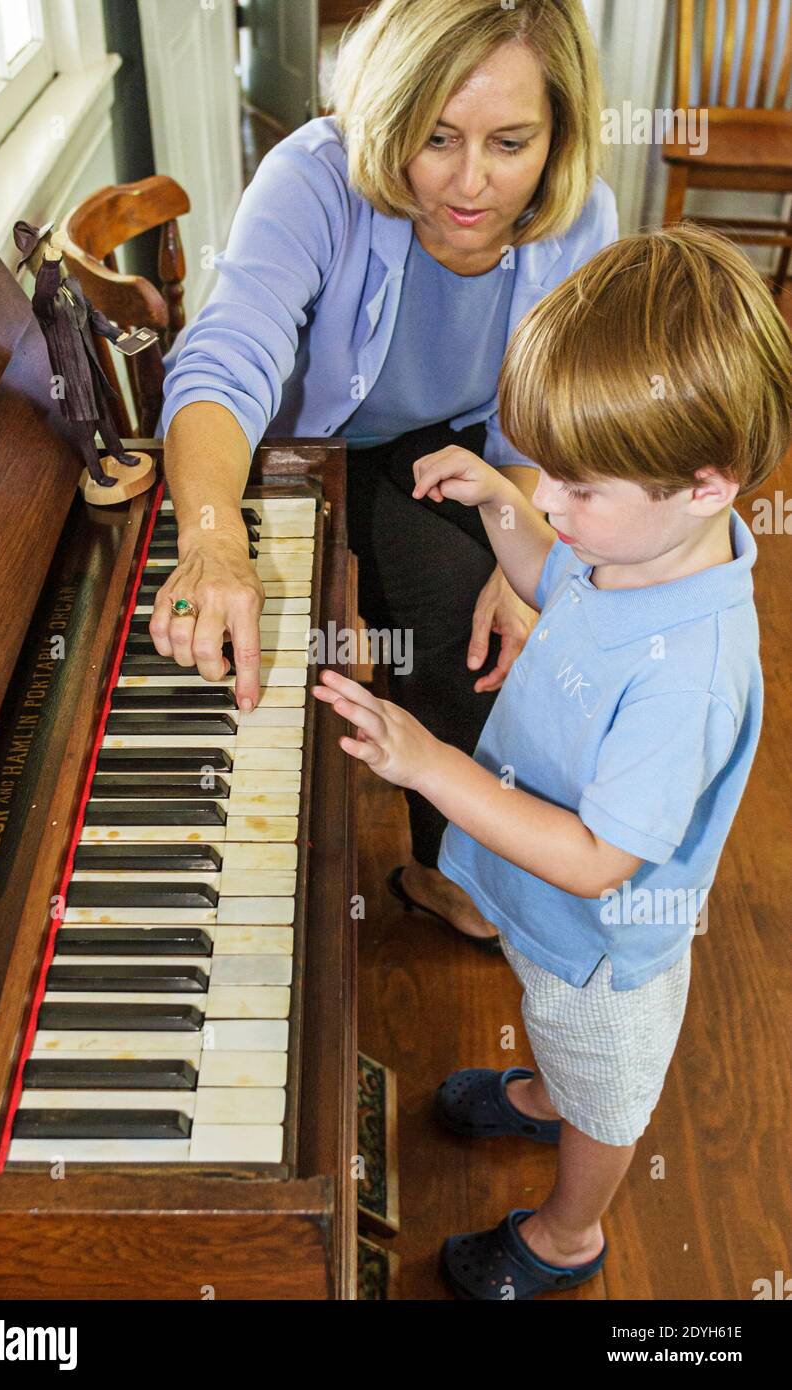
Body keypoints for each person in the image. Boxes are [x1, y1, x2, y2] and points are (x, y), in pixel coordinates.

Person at [311, 222, 792, 1298]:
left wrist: (435, 766)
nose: (554, 508)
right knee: (546, 1023)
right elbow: (552, 584)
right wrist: (504, 509)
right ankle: (541, 1093)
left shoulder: (687, 674)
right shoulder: (627, 548)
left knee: (605, 1093)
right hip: (545, 927)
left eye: (578, 487)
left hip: (601, 949)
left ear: (707, 485)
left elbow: (592, 860)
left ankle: (569, 1233)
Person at [153, 0, 618, 947]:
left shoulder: (583, 217)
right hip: (298, 450)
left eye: (511, 142)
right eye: (437, 136)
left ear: (559, 135)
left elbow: (548, 409)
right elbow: (225, 356)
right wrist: (210, 538)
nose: (470, 182)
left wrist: (522, 549)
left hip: (450, 447)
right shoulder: (314, 177)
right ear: (392, 111)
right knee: (306, 618)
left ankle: (453, 868)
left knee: (487, 623)